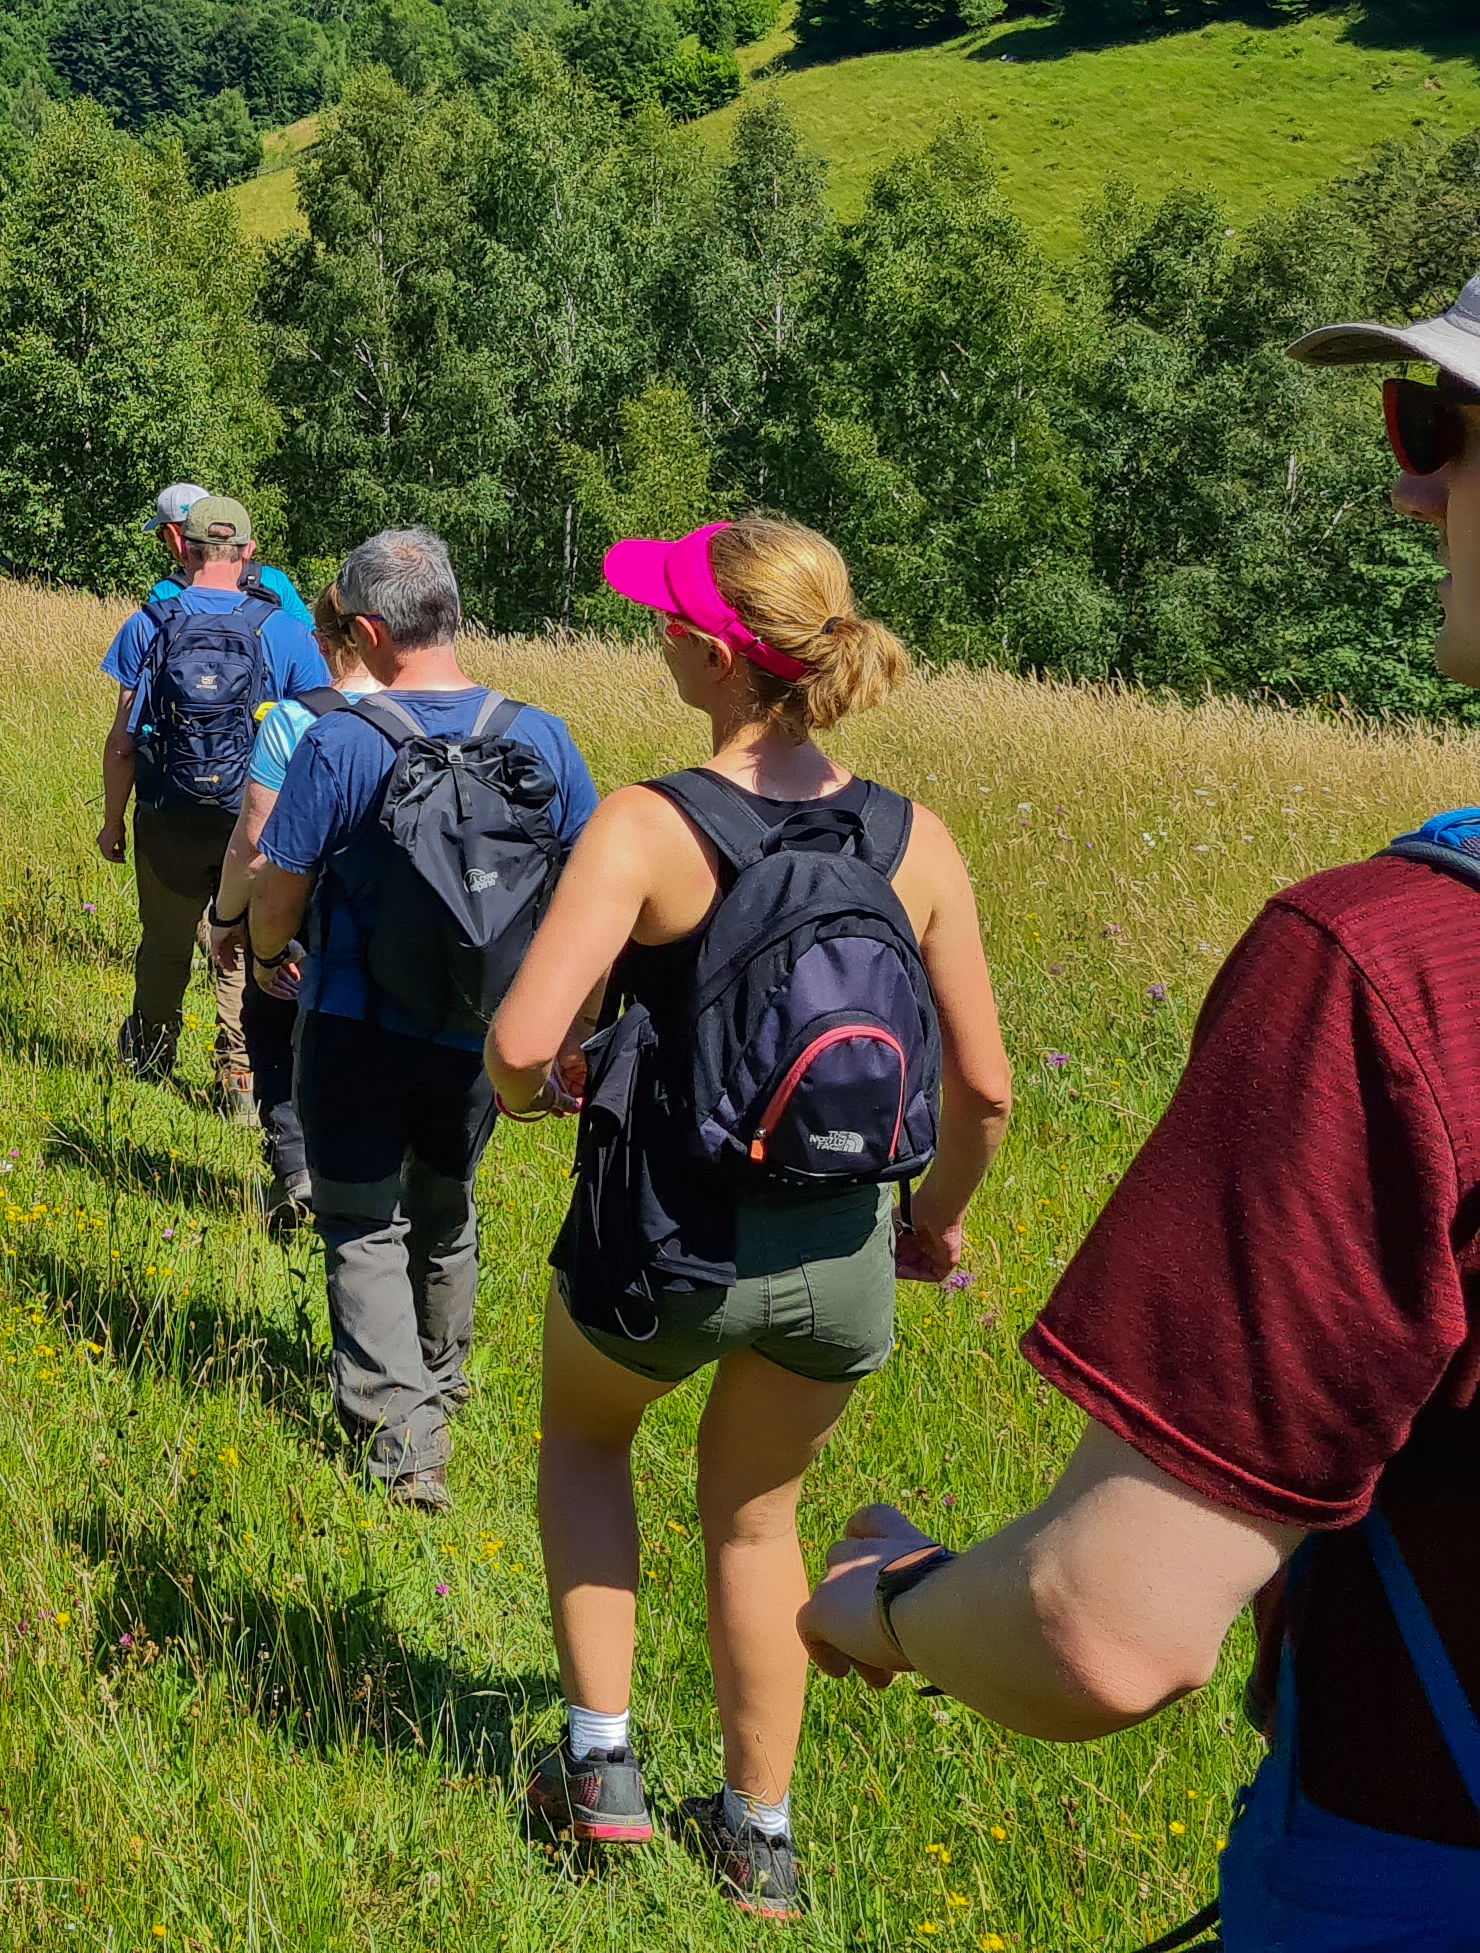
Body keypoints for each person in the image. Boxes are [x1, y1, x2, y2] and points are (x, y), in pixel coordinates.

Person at [801, 285, 1480, 1948]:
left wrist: (891, 1604)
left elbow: (1100, 1625)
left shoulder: (1392, 972)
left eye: (1441, 427)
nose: (1412, 485)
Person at [485, 518, 1010, 1919]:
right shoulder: (916, 840)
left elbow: (522, 1045)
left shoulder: (649, 826)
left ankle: (602, 1769)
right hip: (839, 1260)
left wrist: (541, 1093)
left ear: (719, 657)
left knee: (587, 1439)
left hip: (664, 1247)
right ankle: (760, 1840)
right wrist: (936, 1225)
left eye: (668, 617)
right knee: (759, 1521)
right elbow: (988, 1089)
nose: (654, 632)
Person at [243, 522, 595, 1509]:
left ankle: (406, 1446)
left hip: (354, 1024)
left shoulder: (343, 741)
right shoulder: (541, 736)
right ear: (452, 613)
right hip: (483, 1027)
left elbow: (277, 886)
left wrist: (269, 959)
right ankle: (440, 1381)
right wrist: (565, 1030)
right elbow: (588, 897)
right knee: (445, 1207)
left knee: (362, 1223)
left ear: (366, 630)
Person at [98, 493, 329, 1096]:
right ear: (248, 552)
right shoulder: (285, 631)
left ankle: (149, 1059)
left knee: (165, 942)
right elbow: (318, 737)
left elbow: (122, 743)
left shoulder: (148, 624)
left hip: (167, 816)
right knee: (242, 945)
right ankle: (239, 1075)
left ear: (185, 547)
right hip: (253, 820)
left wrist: (113, 821)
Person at [195, 581, 362, 1234]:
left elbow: (255, 842)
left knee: (275, 1025)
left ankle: (297, 1169)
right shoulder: (433, 715)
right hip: (406, 926)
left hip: (306, 920)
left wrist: (226, 919)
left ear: (321, 642)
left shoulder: (296, 720)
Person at [146, 481, 308, 617]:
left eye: (161, 535)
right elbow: (309, 637)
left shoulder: (165, 593)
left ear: (173, 535)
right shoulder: (274, 581)